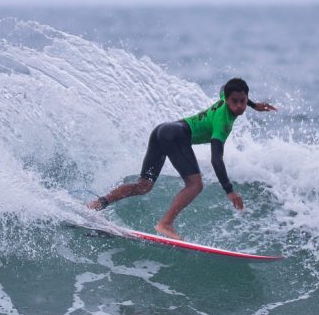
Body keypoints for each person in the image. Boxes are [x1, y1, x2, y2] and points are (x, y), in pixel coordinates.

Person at [88, 78, 276, 240]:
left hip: (162, 131)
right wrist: (230, 191)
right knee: (195, 185)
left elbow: (224, 87)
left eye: (243, 101)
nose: (239, 106)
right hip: (176, 135)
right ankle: (165, 224)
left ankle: (98, 204)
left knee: (144, 185)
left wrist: (253, 105)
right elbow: (216, 159)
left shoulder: (224, 97)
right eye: (235, 102)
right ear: (226, 100)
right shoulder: (223, 122)